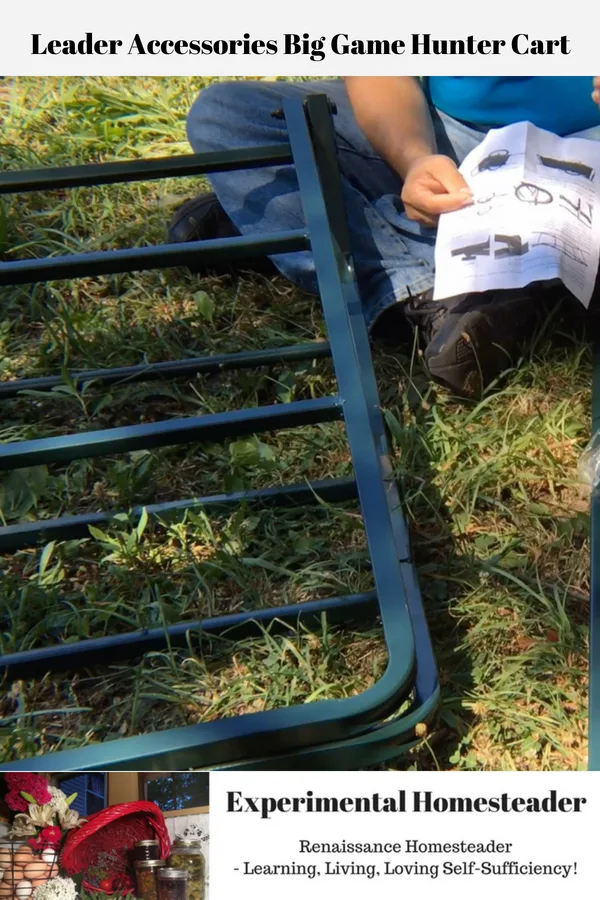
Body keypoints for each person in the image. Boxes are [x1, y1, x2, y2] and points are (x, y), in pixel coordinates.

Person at [169, 77, 600, 397]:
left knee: (279, 182)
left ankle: (316, 225)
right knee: (226, 114)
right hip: (444, 130)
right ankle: (434, 288)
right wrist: (414, 158)